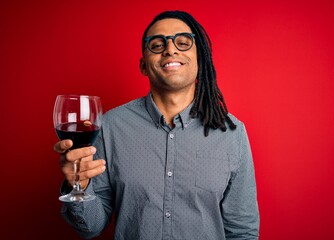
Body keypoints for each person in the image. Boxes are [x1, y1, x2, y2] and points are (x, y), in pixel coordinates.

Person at [54, 10, 260, 240]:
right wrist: (80, 187)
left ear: (201, 61)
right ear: (144, 65)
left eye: (182, 42)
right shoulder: (110, 126)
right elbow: (90, 228)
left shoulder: (232, 133)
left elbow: (242, 231)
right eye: (157, 44)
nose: (170, 49)